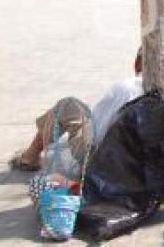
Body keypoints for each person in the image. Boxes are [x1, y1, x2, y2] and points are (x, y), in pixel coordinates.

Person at [9, 49, 145, 171]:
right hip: (139, 165)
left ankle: (29, 158)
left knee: (68, 106)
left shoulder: (126, 89)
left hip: (107, 163)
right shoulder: (163, 90)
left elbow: (95, 134)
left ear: (136, 64)